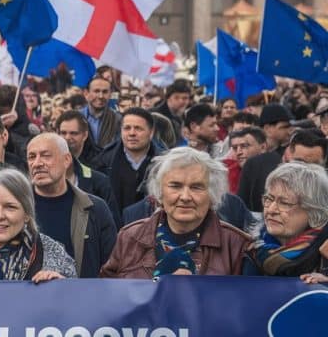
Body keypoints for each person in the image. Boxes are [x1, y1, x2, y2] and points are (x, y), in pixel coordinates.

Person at [101, 147, 251, 278]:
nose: (185, 197)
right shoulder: (130, 237)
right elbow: (110, 295)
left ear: (212, 195)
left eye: (196, 187)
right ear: (159, 192)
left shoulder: (236, 245)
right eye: (175, 186)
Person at [25, 133, 116, 278]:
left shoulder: (95, 208)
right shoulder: (16, 208)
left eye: (46, 155)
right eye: (31, 157)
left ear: (66, 160)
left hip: (82, 298)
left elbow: (112, 267)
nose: (37, 163)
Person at [249, 162, 328, 283]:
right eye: (269, 199)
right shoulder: (251, 246)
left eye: (284, 203)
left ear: (313, 211)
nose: (271, 210)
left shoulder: (324, 253)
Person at [94, 107, 167, 214]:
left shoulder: (165, 163)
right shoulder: (103, 161)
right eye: (127, 128)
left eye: (138, 128)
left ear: (151, 133)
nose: (132, 133)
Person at [80, 77, 122, 151]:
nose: (101, 96)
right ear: (86, 93)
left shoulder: (117, 119)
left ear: (110, 94)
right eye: (96, 91)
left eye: (105, 92)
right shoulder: (77, 118)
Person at [152, 79, 192, 147]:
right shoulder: (155, 116)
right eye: (176, 97)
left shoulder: (186, 117)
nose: (181, 101)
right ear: (168, 98)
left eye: (185, 98)